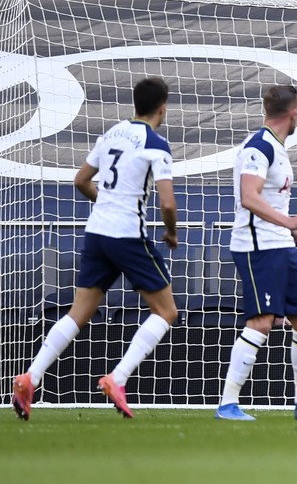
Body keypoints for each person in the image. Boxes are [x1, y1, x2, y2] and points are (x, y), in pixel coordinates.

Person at [12, 77, 178, 420]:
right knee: (166, 312)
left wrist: (107, 203)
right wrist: (171, 233)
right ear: (163, 107)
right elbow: (167, 204)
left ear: (135, 104)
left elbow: (80, 180)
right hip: (128, 235)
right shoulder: (156, 144)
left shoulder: (111, 134)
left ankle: (31, 376)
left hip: (97, 232)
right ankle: (117, 378)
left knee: (79, 312)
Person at [214, 84, 297, 422]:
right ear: (294, 112)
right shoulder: (259, 147)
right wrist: (291, 221)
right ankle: (228, 403)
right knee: (262, 321)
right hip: (257, 248)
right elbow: (249, 197)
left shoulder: (277, 148)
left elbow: (271, 202)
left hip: (281, 245)